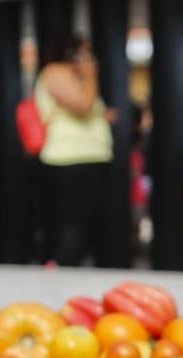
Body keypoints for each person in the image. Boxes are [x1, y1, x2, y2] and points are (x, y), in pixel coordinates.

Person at [35, 33, 113, 266]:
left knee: (87, 225)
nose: (88, 58)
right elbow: (83, 105)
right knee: (73, 227)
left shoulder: (76, 77)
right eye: (83, 52)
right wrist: (90, 76)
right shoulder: (57, 72)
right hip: (69, 160)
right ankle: (56, 276)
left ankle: (65, 273)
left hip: (89, 159)